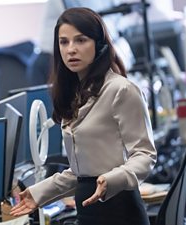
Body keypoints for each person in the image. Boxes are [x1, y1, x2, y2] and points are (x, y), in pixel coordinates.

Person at [10, 7, 157, 225]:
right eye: (64, 42)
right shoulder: (76, 94)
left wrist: (111, 179)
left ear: (99, 44)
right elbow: (81, 173)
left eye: (81, 40)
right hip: (88, 210)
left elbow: (145, 155)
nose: (71, 49)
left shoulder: (121, 90)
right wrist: (38, 193)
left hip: (120, 210)